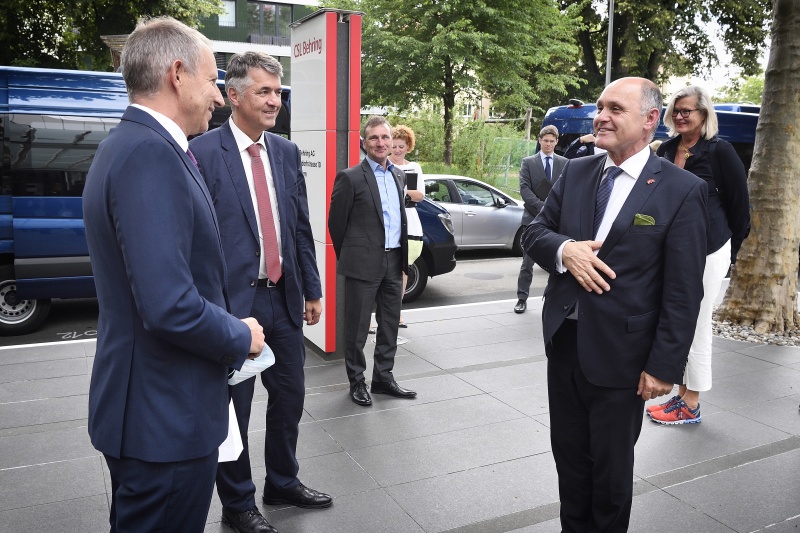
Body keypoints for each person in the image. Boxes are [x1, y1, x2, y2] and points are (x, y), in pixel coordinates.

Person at [82, 17, 265, 533]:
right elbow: (169, 305)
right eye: (213, 81)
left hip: (154, 410)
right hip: (164, 418)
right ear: (178, 74)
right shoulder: (149, 155)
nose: (220, 97)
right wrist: (241, 334)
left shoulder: (136, 145)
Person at [524, 77, 708, 532]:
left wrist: (665, 365)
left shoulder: (681, 189)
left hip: (623, 357)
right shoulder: (578, 171)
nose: (600, 116)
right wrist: (565, 250)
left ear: (649, 120)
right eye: (600, 107)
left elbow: (684, 291)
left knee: (609, 476)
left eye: (614, 109)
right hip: (565, 344)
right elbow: (533, 232)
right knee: (570, 463)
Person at [190, 52, 330, 533]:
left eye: (278, 91)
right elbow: (196, 241)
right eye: (264, 92)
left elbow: (299, 228)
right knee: (237, 409)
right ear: (233, 96)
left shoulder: (286, 153)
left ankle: (283, 481)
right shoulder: (203, 153)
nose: (275, 101)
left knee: (289, 397)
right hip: (232, 308)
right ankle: (238, 502)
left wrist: (311, 288)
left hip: (283, 299)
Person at [649, 85, 750, 425]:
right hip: (673, 250)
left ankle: (690, 403)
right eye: (675, 110)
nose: (679, 116)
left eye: (686, 111)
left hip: (709, 250)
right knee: (678, 319)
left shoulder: (720, 151)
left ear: (703, 115)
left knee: (697, 321)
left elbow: (741, 208)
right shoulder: (666, 149)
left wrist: (728, 252)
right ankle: (679, 394)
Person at [328, 116, 417, 406]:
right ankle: (357, 383)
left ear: (392, 141)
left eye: (385, 137)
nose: (381, 143)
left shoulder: (398, 175)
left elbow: (398, 220)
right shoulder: (351, 177)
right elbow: (336, 224)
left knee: (390, 323)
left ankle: (383, 379)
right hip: (362, 264)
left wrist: (401, 260)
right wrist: (353, 256)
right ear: (364, 143)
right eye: (374, 138)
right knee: (356, 328)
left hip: (395, 262)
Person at [514, 125, 567, 313]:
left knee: (557, 263)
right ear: (540, 140)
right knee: (527, 263)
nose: (549, 144)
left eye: (552, 141)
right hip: (532, 219)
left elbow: (566, 190)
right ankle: (521, 298)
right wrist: (544, 207)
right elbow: (524, 190)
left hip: (556, 221)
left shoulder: (565, 163)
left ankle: (554, 300)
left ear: (556, 142)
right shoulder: (528, 162)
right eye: (546, 141)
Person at [389, 125, 425, 326]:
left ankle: (397, 312)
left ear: (408, 146)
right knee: (379, 271)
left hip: (409, 224)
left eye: (401, 146)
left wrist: (401, 189)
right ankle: (369, 317)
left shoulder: (415, 167)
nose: (397, 150)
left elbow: (420, 196)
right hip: (388, 223)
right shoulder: (383, 165)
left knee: (403, 271)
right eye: (394, 146)